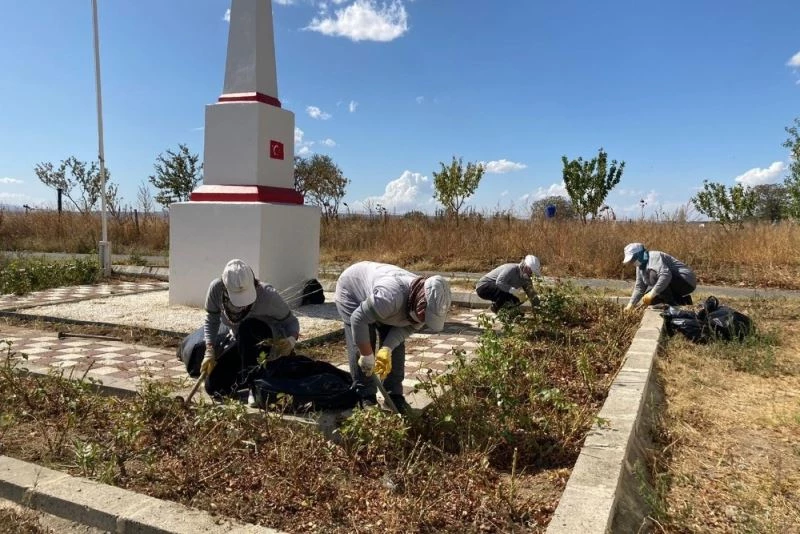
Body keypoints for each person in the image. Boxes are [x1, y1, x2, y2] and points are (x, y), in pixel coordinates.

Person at [334, 261, 452, 414]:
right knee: (364, 341)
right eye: (424, 316)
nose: (424, 321)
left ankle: (394, 395)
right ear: (420, 302)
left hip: (384, 302)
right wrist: (366, 355)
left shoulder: (425, 307)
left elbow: (404, 329)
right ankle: (365, 395)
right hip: (352, 290)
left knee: (396, 348)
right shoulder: (390, 296)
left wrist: (387, 349)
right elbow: (358, 319)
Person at [200, 259, 301, 398]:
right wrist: (209, 349)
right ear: (225, 286)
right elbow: (211, 319)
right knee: (214, 387)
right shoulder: (216, 289)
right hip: (243, 345)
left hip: (268, 346)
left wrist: (291, 340)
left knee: (248, 327)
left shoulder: (268, 295)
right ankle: (253, 378)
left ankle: (255, 385)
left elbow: (291, 322)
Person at [622, 243, 696, 310]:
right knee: (650, 299)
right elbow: (639, 287)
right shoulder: (639, 267)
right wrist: (631, 304)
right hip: (674, 284)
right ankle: (682, 302)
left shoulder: (653, 257)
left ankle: (672, 304)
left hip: (685, 280)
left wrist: (652, 293)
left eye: (633, 259)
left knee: (653, 275)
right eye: (631, 261)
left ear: (640, 254)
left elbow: (665, 276)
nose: (632, 262)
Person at [475, 255, 541, 313]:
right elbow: (500, 282)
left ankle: (508, 313)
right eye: (530, 271)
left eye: (532, 272)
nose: (531, 274)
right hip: (483, 287)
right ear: (526, 266)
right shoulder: (511, 269)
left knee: (520, 298)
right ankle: (496, 308)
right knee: (506, 292)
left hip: (498, 288)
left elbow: (532, 295)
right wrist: (513, 290)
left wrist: (539, 309)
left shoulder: (526, 279)